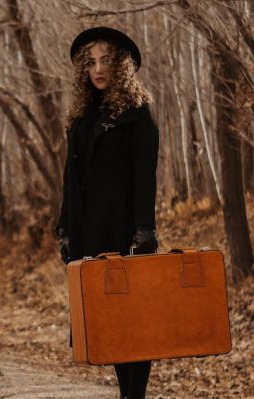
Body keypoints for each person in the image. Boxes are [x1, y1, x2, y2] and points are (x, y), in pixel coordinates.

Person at [55, 27, 160, 399]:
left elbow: (145, 176)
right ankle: (125, 394)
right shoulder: (81, 120)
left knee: (135, 320)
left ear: (121, 65)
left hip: (126, 231)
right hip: (90, 233)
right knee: (111, 321)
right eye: (92, 62)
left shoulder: (137, 115)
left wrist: (145, 229)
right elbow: (71, 179)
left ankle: (136, 396)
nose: (98, 69)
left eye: (106, 60)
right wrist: (64, 228)